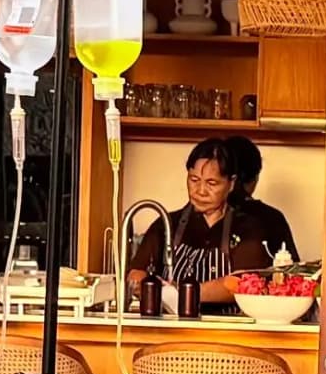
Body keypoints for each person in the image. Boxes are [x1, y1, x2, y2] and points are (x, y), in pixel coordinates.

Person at [127, 132, 300, 311]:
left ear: (231, 183)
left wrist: (182, 293)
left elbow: (242, 283)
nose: (200, 191)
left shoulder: (249, 229)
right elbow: (135, 273)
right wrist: (142, 284)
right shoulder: (166, 224)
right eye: (194, 180)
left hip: (224, 332)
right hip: (171, 330)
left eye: (212, 183)